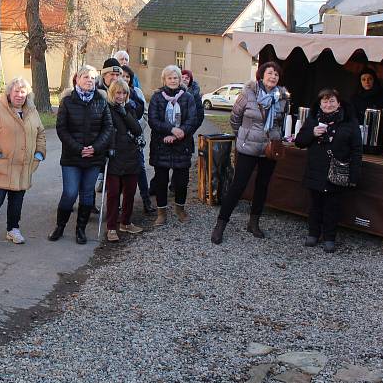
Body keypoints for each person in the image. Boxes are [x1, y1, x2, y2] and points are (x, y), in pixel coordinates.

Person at [210, 62, 289, 245]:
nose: (273, 77)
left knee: (262, 186)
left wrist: (277, 138)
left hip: (270, 148)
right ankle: (220, 224)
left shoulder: (282, 97)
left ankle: (253, 223)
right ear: (261, 75)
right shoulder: (248, 93)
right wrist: (242, 137)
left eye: (276, 74)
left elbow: (280, 122)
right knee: (238, 185)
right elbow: (234, 118)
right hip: (248, 147)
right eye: (270, 73)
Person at [0, 77, 46, 251]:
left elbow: (41, 134)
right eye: (16, 91)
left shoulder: (32, 111)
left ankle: (13, 229)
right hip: (2, 166)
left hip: (23, 167)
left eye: (23, 92)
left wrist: (38, 154)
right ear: (9, 92)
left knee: (17, 201)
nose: (19, 95)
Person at [49, 65, 113, 244]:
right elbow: (62, 128)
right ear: (77, 79)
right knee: (70, 193)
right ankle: (60, 227)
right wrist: (78, 148)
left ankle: (80, 230)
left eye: (92, 78)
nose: (89, 80)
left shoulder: (101, 101)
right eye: (85, 77)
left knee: (86, 194)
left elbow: (108, 128)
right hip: (72, 157)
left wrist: (95, 148)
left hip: (94, 157)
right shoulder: (68, 101)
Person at [294, 89, 362, 253]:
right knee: (315, 204)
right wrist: (312, 133)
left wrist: (354, 175)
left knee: (333, 206)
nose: (328, 104)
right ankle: (313, 234)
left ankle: (329, 237)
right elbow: (299, 142)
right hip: (315, 169)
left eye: (332, 101)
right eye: (324, 101)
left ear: (339, 103)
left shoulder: (349, 122)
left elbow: (357, 149)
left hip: (337, 171)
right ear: (319, 104)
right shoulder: (312, 120)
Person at [148, 65, 199, 226]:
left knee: (181, 181)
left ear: (179, 79)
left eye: (175, 78)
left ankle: (180, 210)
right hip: (161, 144)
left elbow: (193, 119)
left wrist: (179, 133)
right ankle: (161, 213)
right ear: (164, 79)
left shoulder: (188, 97)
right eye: (169, 78)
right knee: (161, 182)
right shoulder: (157, 97)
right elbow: (153, 120)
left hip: (182, 145)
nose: (172, 80)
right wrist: (170, 130)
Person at [104, 80, 144, 241]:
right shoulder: (106, 109)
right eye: (117, 93)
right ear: (112, 93)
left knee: (130, 192)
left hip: (130, 155)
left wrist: (123, 112)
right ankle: (111, 227)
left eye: (123, 93)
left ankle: (126, 222)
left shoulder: (130, 108)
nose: (120, 96)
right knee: (113, 193)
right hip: (114, 156)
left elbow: (136, 129)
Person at [122, 65, 155, 216]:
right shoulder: (115, 92)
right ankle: (120, 205)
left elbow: (145, 114)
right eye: (122, 75)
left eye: (128, 76)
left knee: (140, 168)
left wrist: (135, 128)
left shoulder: (137, 92)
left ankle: (146, 200)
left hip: (135, 137)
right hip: (120, 139)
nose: (125, 78)